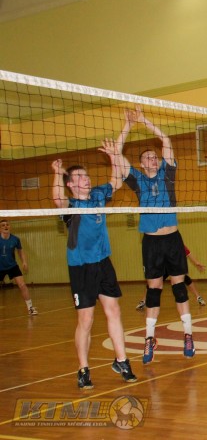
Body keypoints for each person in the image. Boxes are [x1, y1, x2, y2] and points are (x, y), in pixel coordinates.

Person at [51, 139, 137, 389]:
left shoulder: (98, 195)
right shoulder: (71, 206)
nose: (86, 179)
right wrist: (57, 173)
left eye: (86, 175)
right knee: (86, 320)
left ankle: (122, 361)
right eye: (79, 177)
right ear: (70, 184)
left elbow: (116, 182)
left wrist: (113, 156)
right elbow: (57, 199)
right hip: (81, 267)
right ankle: (83, 369)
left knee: (114, 311)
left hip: (103, 263)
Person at [116, 107, 195, 364]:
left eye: (155, 156)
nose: (153, 159)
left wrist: (144, 120)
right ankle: (149, 339)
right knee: (154, 290)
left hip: (172, 239)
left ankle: (188, 335)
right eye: (148, 158)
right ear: (141, 164)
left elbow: (166, 140)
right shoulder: (137, 180)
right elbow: (117, 154)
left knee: (179, 288)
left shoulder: (167, 174)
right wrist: (128, 126)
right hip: (151, 242)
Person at [136, 244, 207, 310]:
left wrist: (196, 263)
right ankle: (143, 301)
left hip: (175, 268)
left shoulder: (178, 243)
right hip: (164, 268)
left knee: (187, 280)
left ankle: (199, 297)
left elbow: (188, 253)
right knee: (152, 284)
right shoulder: (161, 244)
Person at [0, 219, 38, 315]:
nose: (5, 226)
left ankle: (30, 308)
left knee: (22, 285)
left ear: (10, 227)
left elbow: (20, 251)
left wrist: (24, 262)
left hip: (12, 266)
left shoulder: (15, 239)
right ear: (0, 228)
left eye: (7, 225)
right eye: (3, 225)